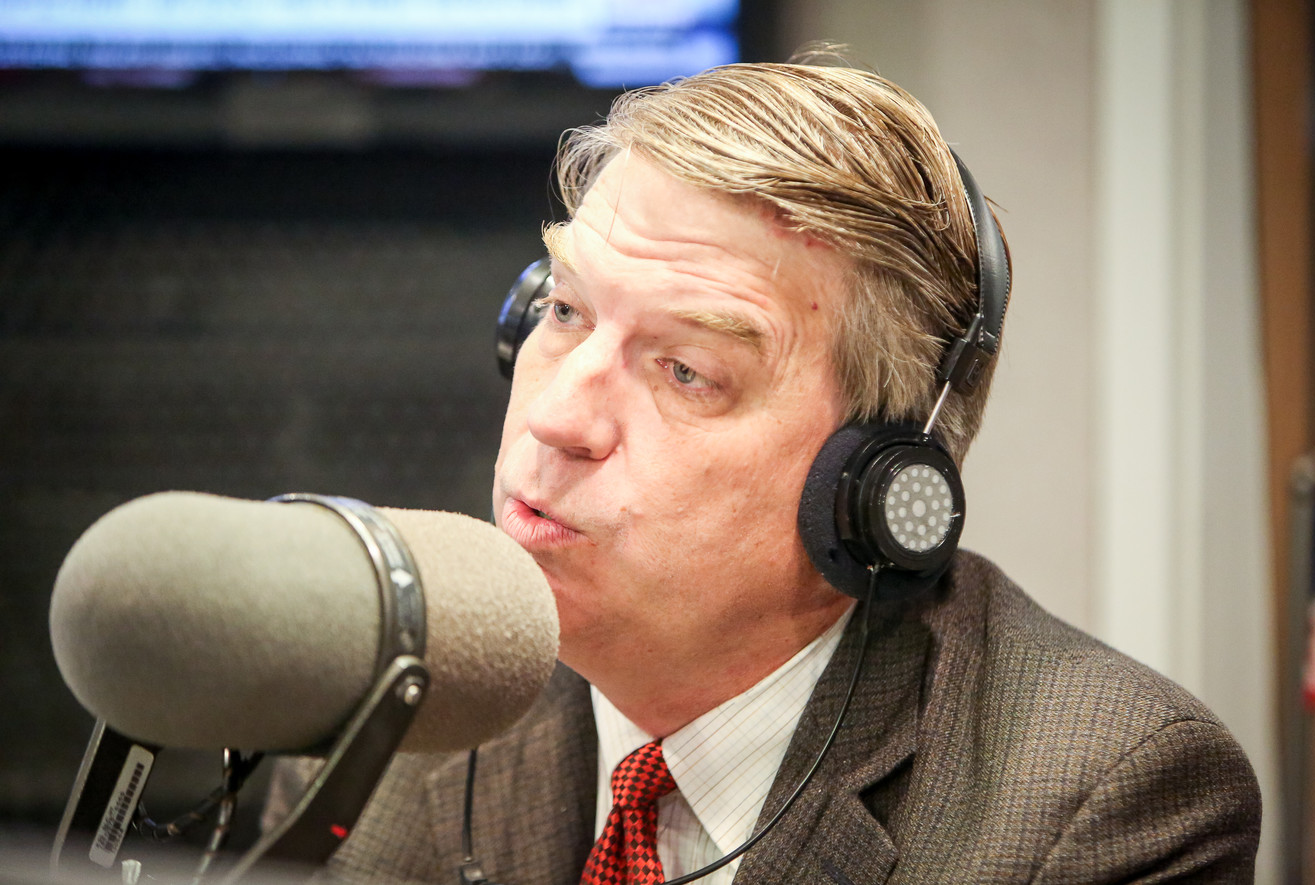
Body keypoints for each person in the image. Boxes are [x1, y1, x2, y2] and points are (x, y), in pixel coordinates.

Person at [268, 54, 1261, 883]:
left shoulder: (1100, 801)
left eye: (686, 370)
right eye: (563, 314)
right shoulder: (387, 704)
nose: (557, 417)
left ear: (869, 486)